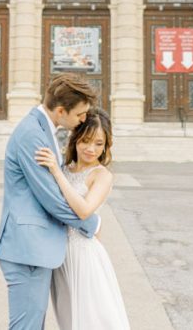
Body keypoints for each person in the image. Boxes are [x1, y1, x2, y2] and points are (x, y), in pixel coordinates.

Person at [0, 74, 101, 329]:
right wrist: (91, 222)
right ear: (61, 111)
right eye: (80, 114)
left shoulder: (43, 129)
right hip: (28, 248)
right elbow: (50, 198)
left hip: (35, 247)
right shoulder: (32, 134)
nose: (83, 119)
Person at [35, 107, 130, 329]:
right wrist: (59, 171)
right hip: (60, 254)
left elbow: (84, 211)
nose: (91, 149)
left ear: (106, 145)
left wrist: (56, 174)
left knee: (93, 318)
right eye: (86, 141)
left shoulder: (102, 175)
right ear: (75, 138)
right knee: (69, 319)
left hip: (84, 254)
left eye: (98, 143)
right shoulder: (65, 168)